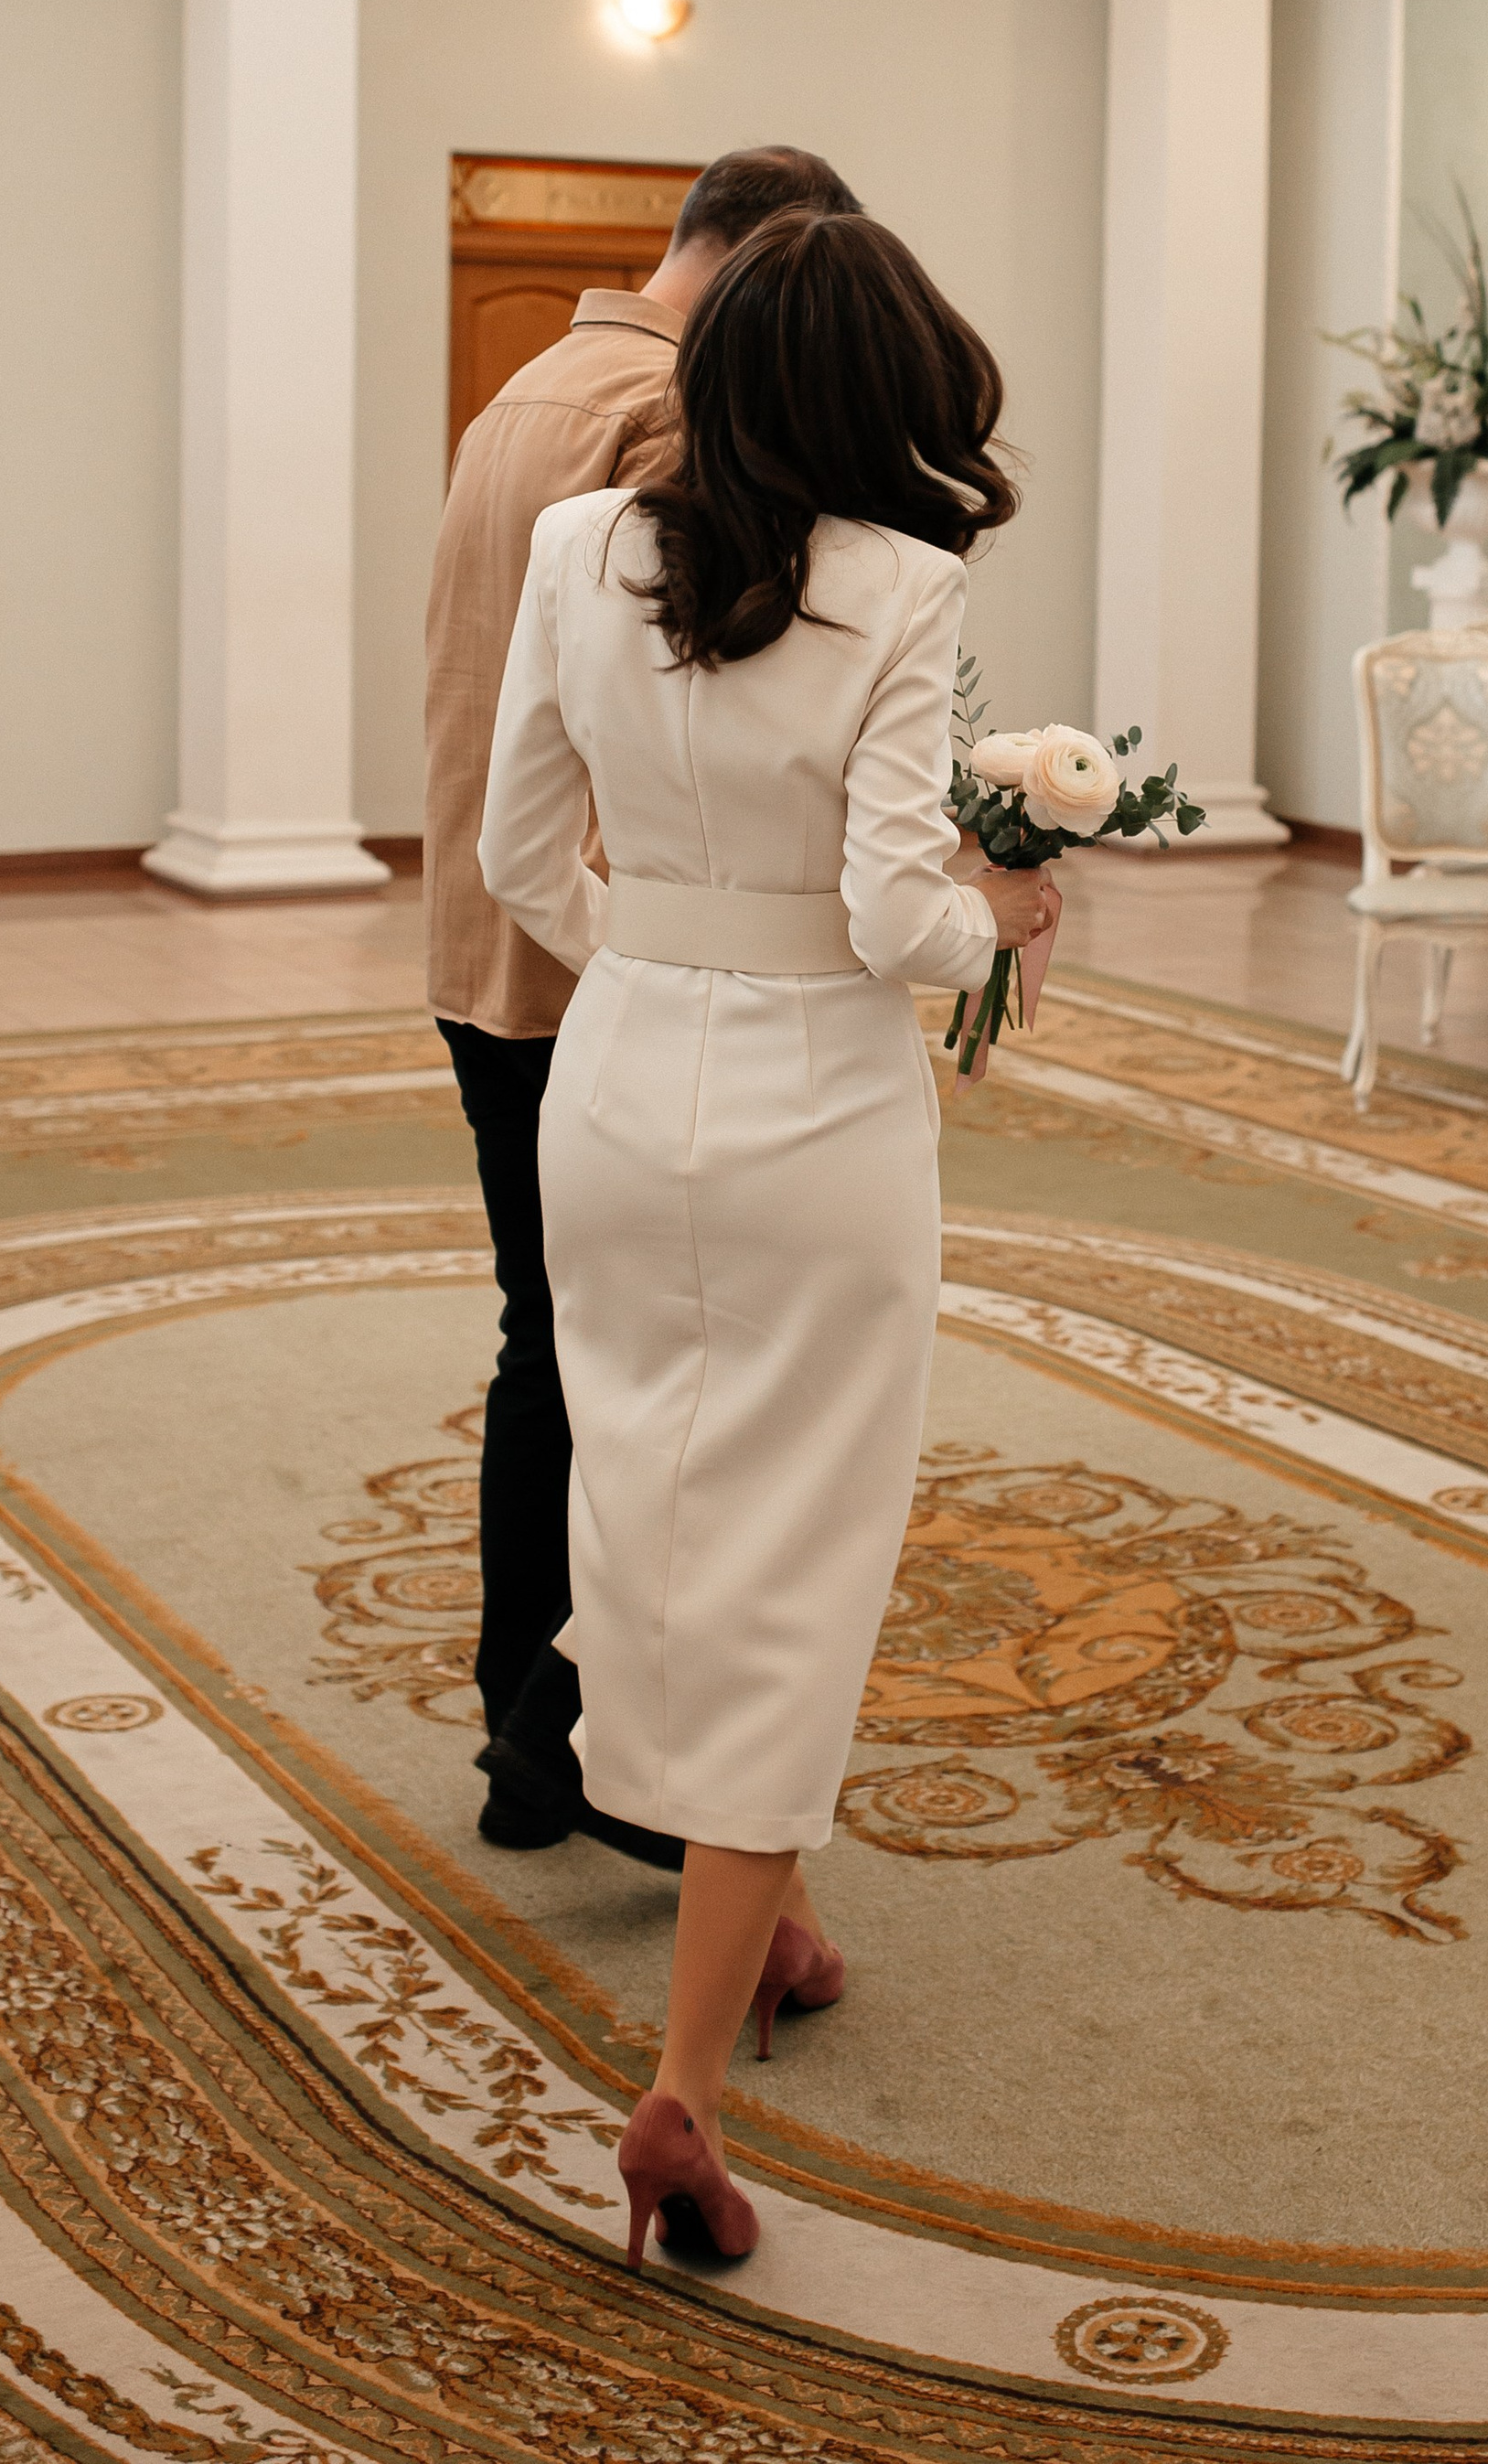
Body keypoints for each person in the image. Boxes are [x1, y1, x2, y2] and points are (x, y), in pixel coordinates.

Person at [476, 207, 1056, 2270]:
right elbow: (898, 915)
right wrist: (1008, 920)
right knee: (798, 1557)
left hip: (617, 1081)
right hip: (817, 1109)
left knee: (646, 1500)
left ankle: (774, 1912)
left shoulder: (576, 549)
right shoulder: (901, 581)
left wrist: (658, 957)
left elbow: (511, 853)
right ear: (886, 394)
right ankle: (683, 2094)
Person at [423, 146, 862, 1864]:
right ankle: (570, 1734)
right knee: (670, 1364)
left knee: (553, 1338)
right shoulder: (672, 416)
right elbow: (711, 700)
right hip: (619, 942)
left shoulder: (524, 388)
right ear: (762, 261)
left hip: (484, 926)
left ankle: (525, 1722)